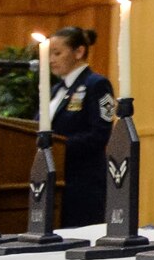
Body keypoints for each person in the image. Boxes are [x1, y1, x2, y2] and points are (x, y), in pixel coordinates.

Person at [45, 27, 116, 228]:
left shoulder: (97, 84)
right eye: (49, 54)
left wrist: (58, 147)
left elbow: (99, 134)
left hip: (83, 182)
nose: (51, 59)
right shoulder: (55, 90)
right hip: (55, 179)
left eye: (57, 53)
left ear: (79, 52)